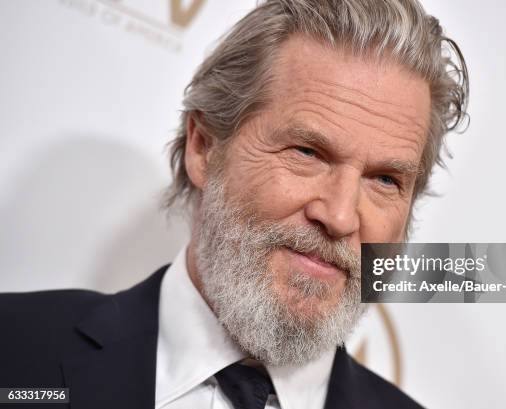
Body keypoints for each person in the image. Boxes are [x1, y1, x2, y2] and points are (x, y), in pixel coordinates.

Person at [0, 0, 468, 408]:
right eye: (307, 152)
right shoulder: (13, 351)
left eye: (385, 180)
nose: (341, 216)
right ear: (204, 146)